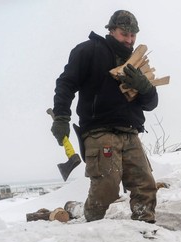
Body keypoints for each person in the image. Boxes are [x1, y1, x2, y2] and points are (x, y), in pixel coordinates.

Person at [51, 10, 158, 223]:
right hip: (100, 132)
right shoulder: (89, 51)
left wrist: (145, 87)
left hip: (130, 132)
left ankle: (145, 226)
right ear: (111, 30)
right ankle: (92, 228)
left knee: (145, 184)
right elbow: (66, 83)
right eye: (124, 34)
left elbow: (151, 104)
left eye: (132, 35)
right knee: (106, 187)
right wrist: (61, 116)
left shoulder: (136, 62)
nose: (129, 39)